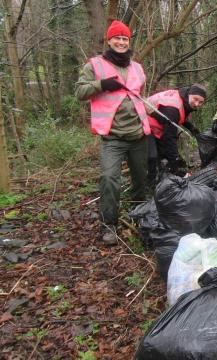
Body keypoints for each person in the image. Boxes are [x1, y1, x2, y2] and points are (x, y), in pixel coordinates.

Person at [75, 20, 149, 245]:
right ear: (109, 40)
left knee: (141, 180)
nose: (121, 42)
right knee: (109, 179)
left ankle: (140, 217)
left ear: (129, 42)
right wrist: (102, 85)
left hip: (138, 134)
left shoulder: (136, 67)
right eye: (117, 38)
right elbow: (79, 91)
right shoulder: (95, 65)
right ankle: (109, 225)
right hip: (112, 136)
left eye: (125, 38)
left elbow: (139, 94)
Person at [146, 84, 206, 186]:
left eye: (201, 102)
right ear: (189, 94)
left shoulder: (183, 98)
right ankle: (150, 186)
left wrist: (191, 127)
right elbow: (169, 138)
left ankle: (160, 177)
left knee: (163, 155)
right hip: (144, 124)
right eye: (195, 99)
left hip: (158, 126)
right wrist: (175, 164)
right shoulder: (173, 108)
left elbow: (180, 115)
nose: (197, 104)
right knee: (153, 157)